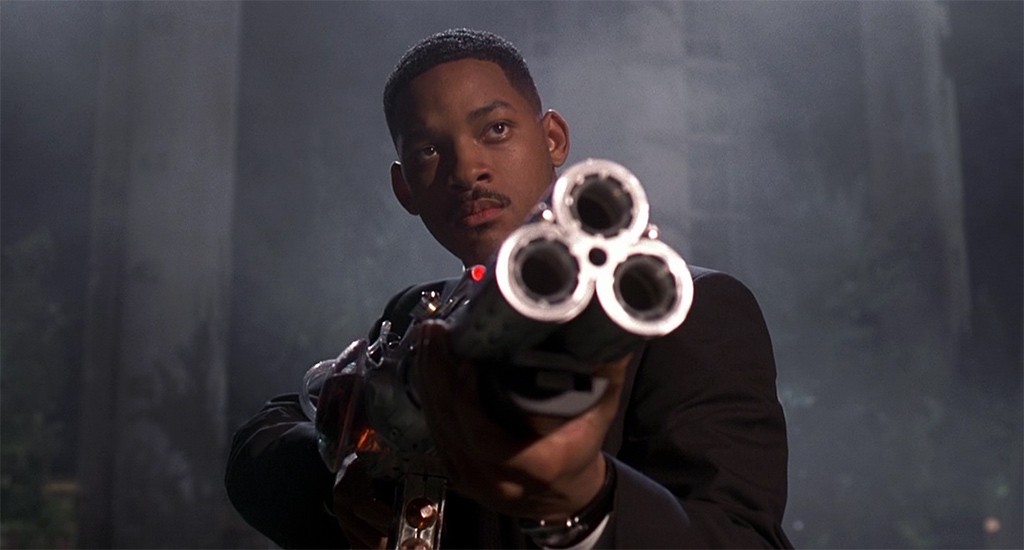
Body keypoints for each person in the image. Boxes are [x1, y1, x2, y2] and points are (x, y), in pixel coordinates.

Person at [225, 28, 792, 549]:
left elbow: (739, 538)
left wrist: (583, 503)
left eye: (495, 129)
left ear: (553, 139)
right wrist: (346, 478)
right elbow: (260, 446)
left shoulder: (681, 310)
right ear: (405, 189)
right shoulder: (415, 312)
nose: (466, 169)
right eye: (427, 150)